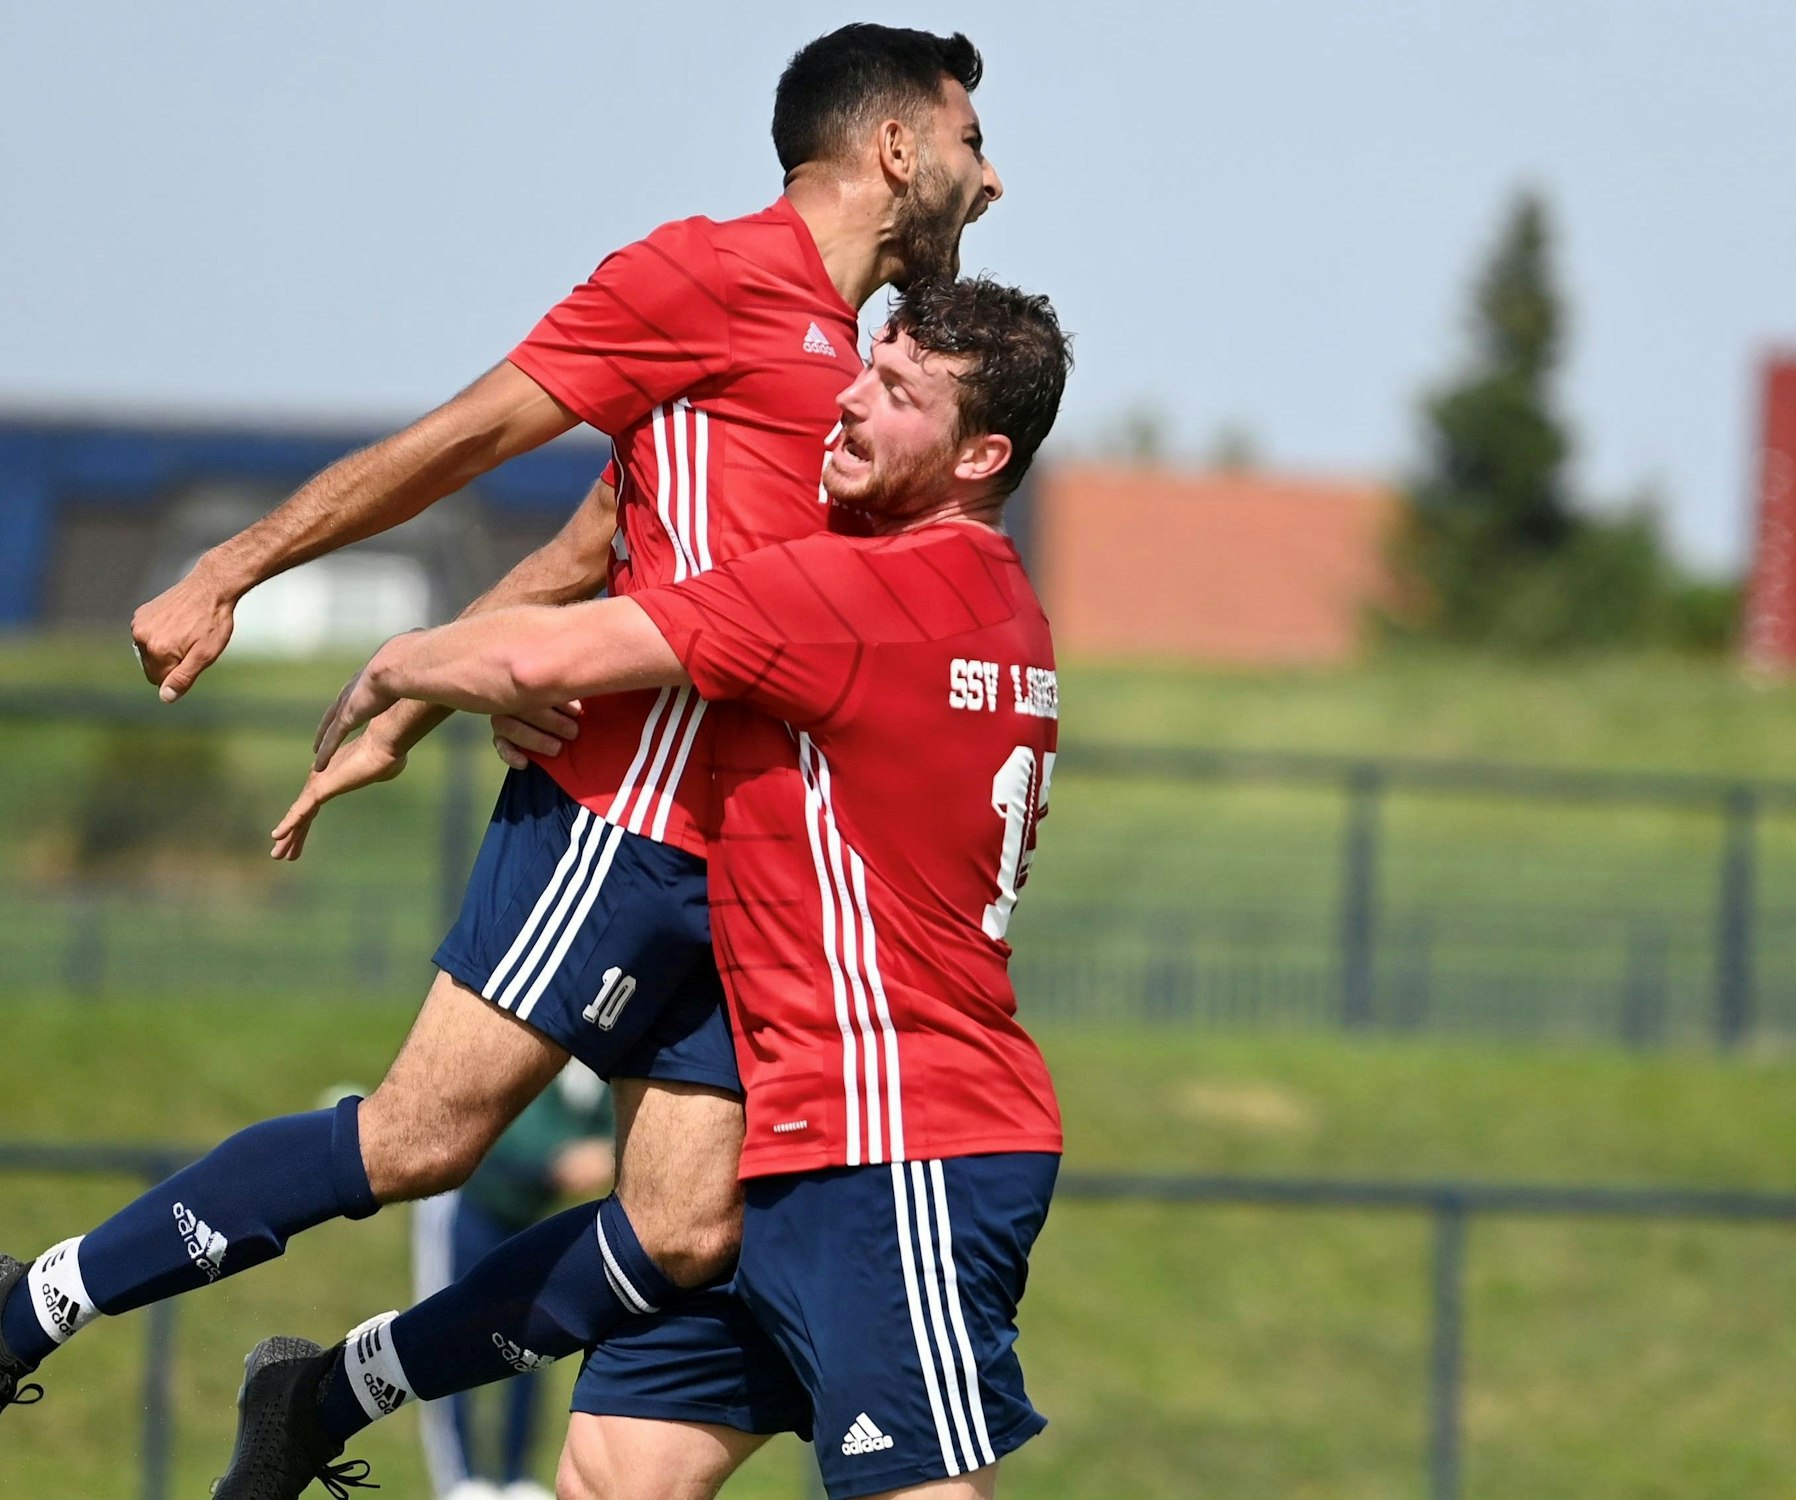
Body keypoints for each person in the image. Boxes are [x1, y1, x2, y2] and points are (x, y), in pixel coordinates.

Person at [0, 26, 1004, 1493]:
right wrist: (230, 569)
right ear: (897, 148)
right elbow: (466, 438)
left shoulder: (855, 377)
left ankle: (323, 1395)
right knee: (420, 1140)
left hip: (752, 877)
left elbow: (592, 542)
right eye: (973, 141)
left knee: (683, 1228)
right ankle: (30, 1306)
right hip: (622, 822)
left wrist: (410, 715)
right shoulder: (704, 272)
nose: (994, 178)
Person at [248, 274, 1072, 1500]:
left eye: (898, 392)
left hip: (899, 1147)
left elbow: (540, 651)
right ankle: (329, 1396)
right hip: (780, 1151)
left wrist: (396, 673)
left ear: (980, 457)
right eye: (865, 364)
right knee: (613, 1475)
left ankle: (325, 1394)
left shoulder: (866, 594)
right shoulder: (979, 598)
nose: (848, 399)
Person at [416, 1061, 613, 1500]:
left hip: (530, 1213)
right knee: (445, 1334)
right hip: (470, 1199)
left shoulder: (607, 1063)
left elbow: (621, 1125)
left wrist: (609, 1153)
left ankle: (515, 1476)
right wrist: (557, 1157)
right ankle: (460, 1479)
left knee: (532, 1338)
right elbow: (490, 1115)